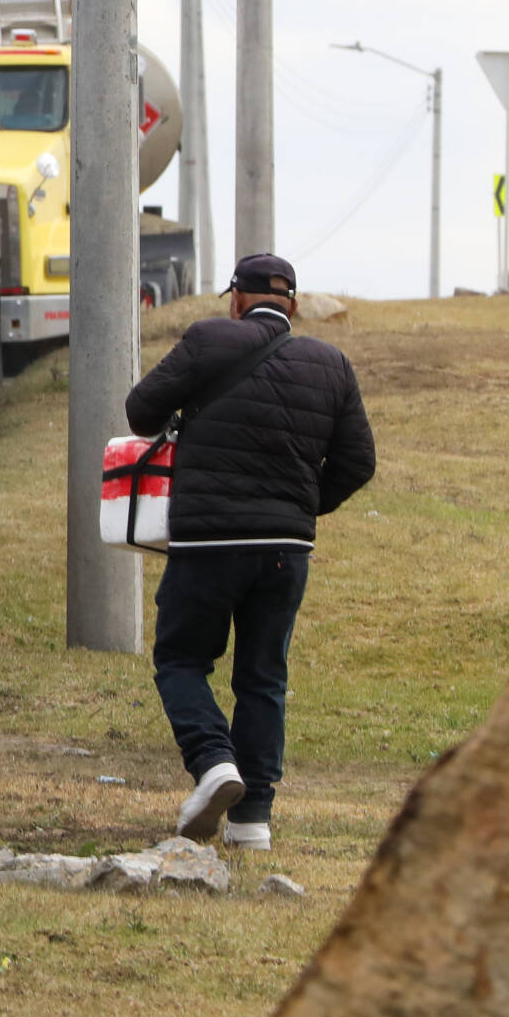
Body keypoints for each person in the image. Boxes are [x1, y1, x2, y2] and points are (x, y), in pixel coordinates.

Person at [125, 252, 377, 851]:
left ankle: (214, 762)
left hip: (209, 539)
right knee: (263, 678)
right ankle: (252, 823)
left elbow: (140, 412)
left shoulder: (208, 339)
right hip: (287, 549)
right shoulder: (331, 363)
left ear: (237, 299)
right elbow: (359, 462)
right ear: (293, 303)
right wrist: (300, 507)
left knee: (181, 659)